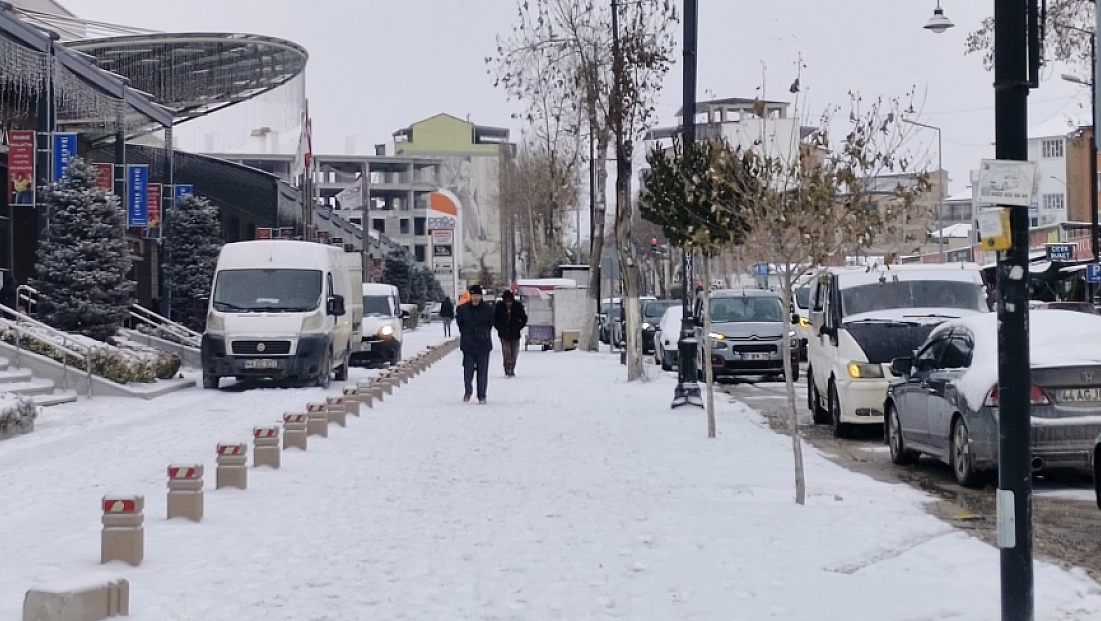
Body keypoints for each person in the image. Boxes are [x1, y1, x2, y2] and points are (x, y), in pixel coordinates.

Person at [456, 284, 494, 404]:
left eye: (477, 295)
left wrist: (483, 332)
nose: (475, 298)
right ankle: (468, 391)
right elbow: (460, 324)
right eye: (473, 295)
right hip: (468, 345)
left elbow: (490, 323)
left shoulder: (488, 309)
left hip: (483, 345)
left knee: (482, 372)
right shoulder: (463, 309)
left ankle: (482, 395)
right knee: (468, 371)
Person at [494, 290, 528, 377]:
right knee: (507, 352)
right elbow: (494, 319)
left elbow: (523, 318)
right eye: (507, 301)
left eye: (510, 301)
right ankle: (507, 369)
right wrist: (500, 328)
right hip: (504, 334)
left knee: (514, 352)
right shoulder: (499, 306)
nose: (508, 303)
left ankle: (512, 368)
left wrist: (518, 327)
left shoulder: (518, 306)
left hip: (515, 333)